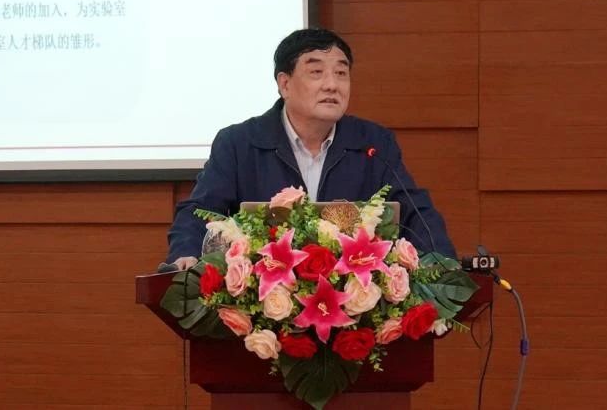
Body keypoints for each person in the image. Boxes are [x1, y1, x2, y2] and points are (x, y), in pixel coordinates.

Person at [165, 28, 455, 270]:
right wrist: (185, 254)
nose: (332, 85)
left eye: (341, 73)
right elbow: (201, 211)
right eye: (316, 72)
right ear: (285, 84)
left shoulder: (373, 143)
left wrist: (441, 262)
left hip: (354, 300)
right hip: (263, 299)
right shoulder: (240, 143)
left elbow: (415, 211)